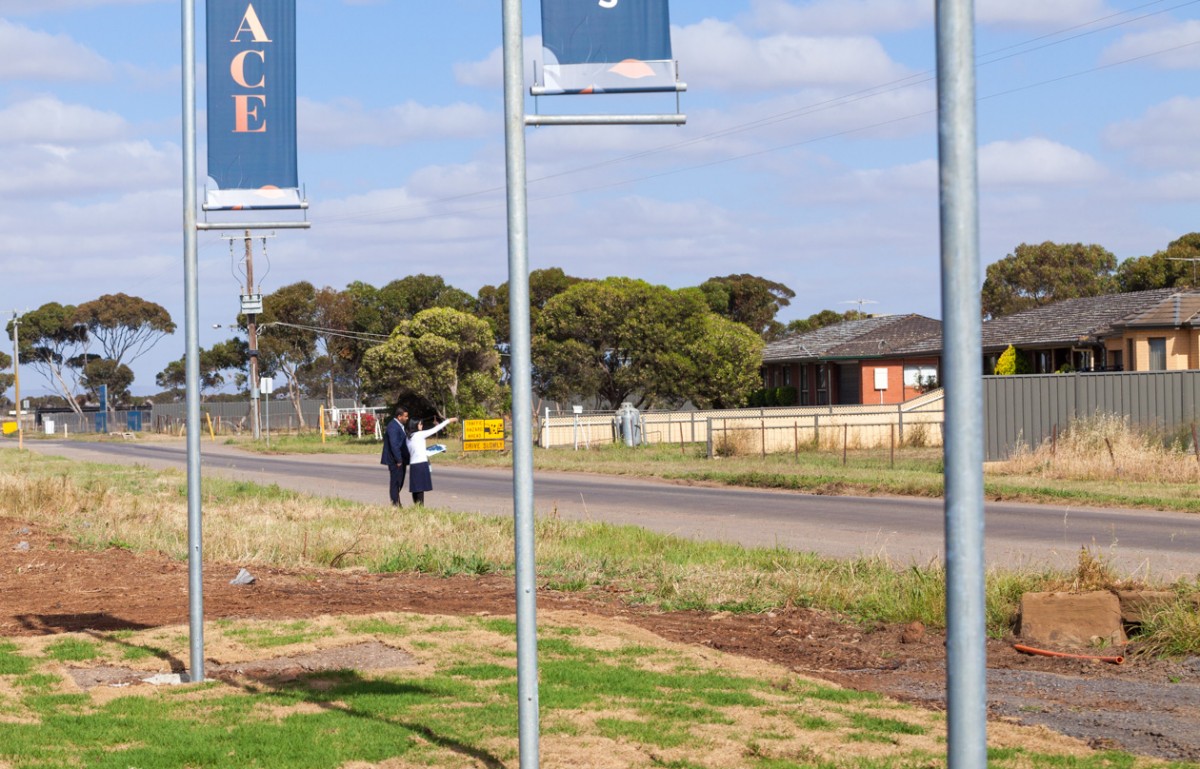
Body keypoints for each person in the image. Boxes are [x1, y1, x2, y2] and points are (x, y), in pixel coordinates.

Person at [406, 415, 458, 506]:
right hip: (421, 464)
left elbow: (418, 450)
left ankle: (417, 507)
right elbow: (436, 429)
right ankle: (420, 508)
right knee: (420, 489)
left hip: (413, 465)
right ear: (415, 425)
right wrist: (448, 421)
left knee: (416, 489)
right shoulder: (419, 434)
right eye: (420, 424)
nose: (422, 426)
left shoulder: (409, 437)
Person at [380, 406, 410, 506]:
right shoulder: (393, 426)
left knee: (399, 482)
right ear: (399, 416)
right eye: (405, 416)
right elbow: (394, 445)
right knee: (395, 482)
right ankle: (395, 503)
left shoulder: (399, 425)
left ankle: (396, 501)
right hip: (395, 460)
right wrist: (399, 460)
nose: (407, 418)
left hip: (401, 459)